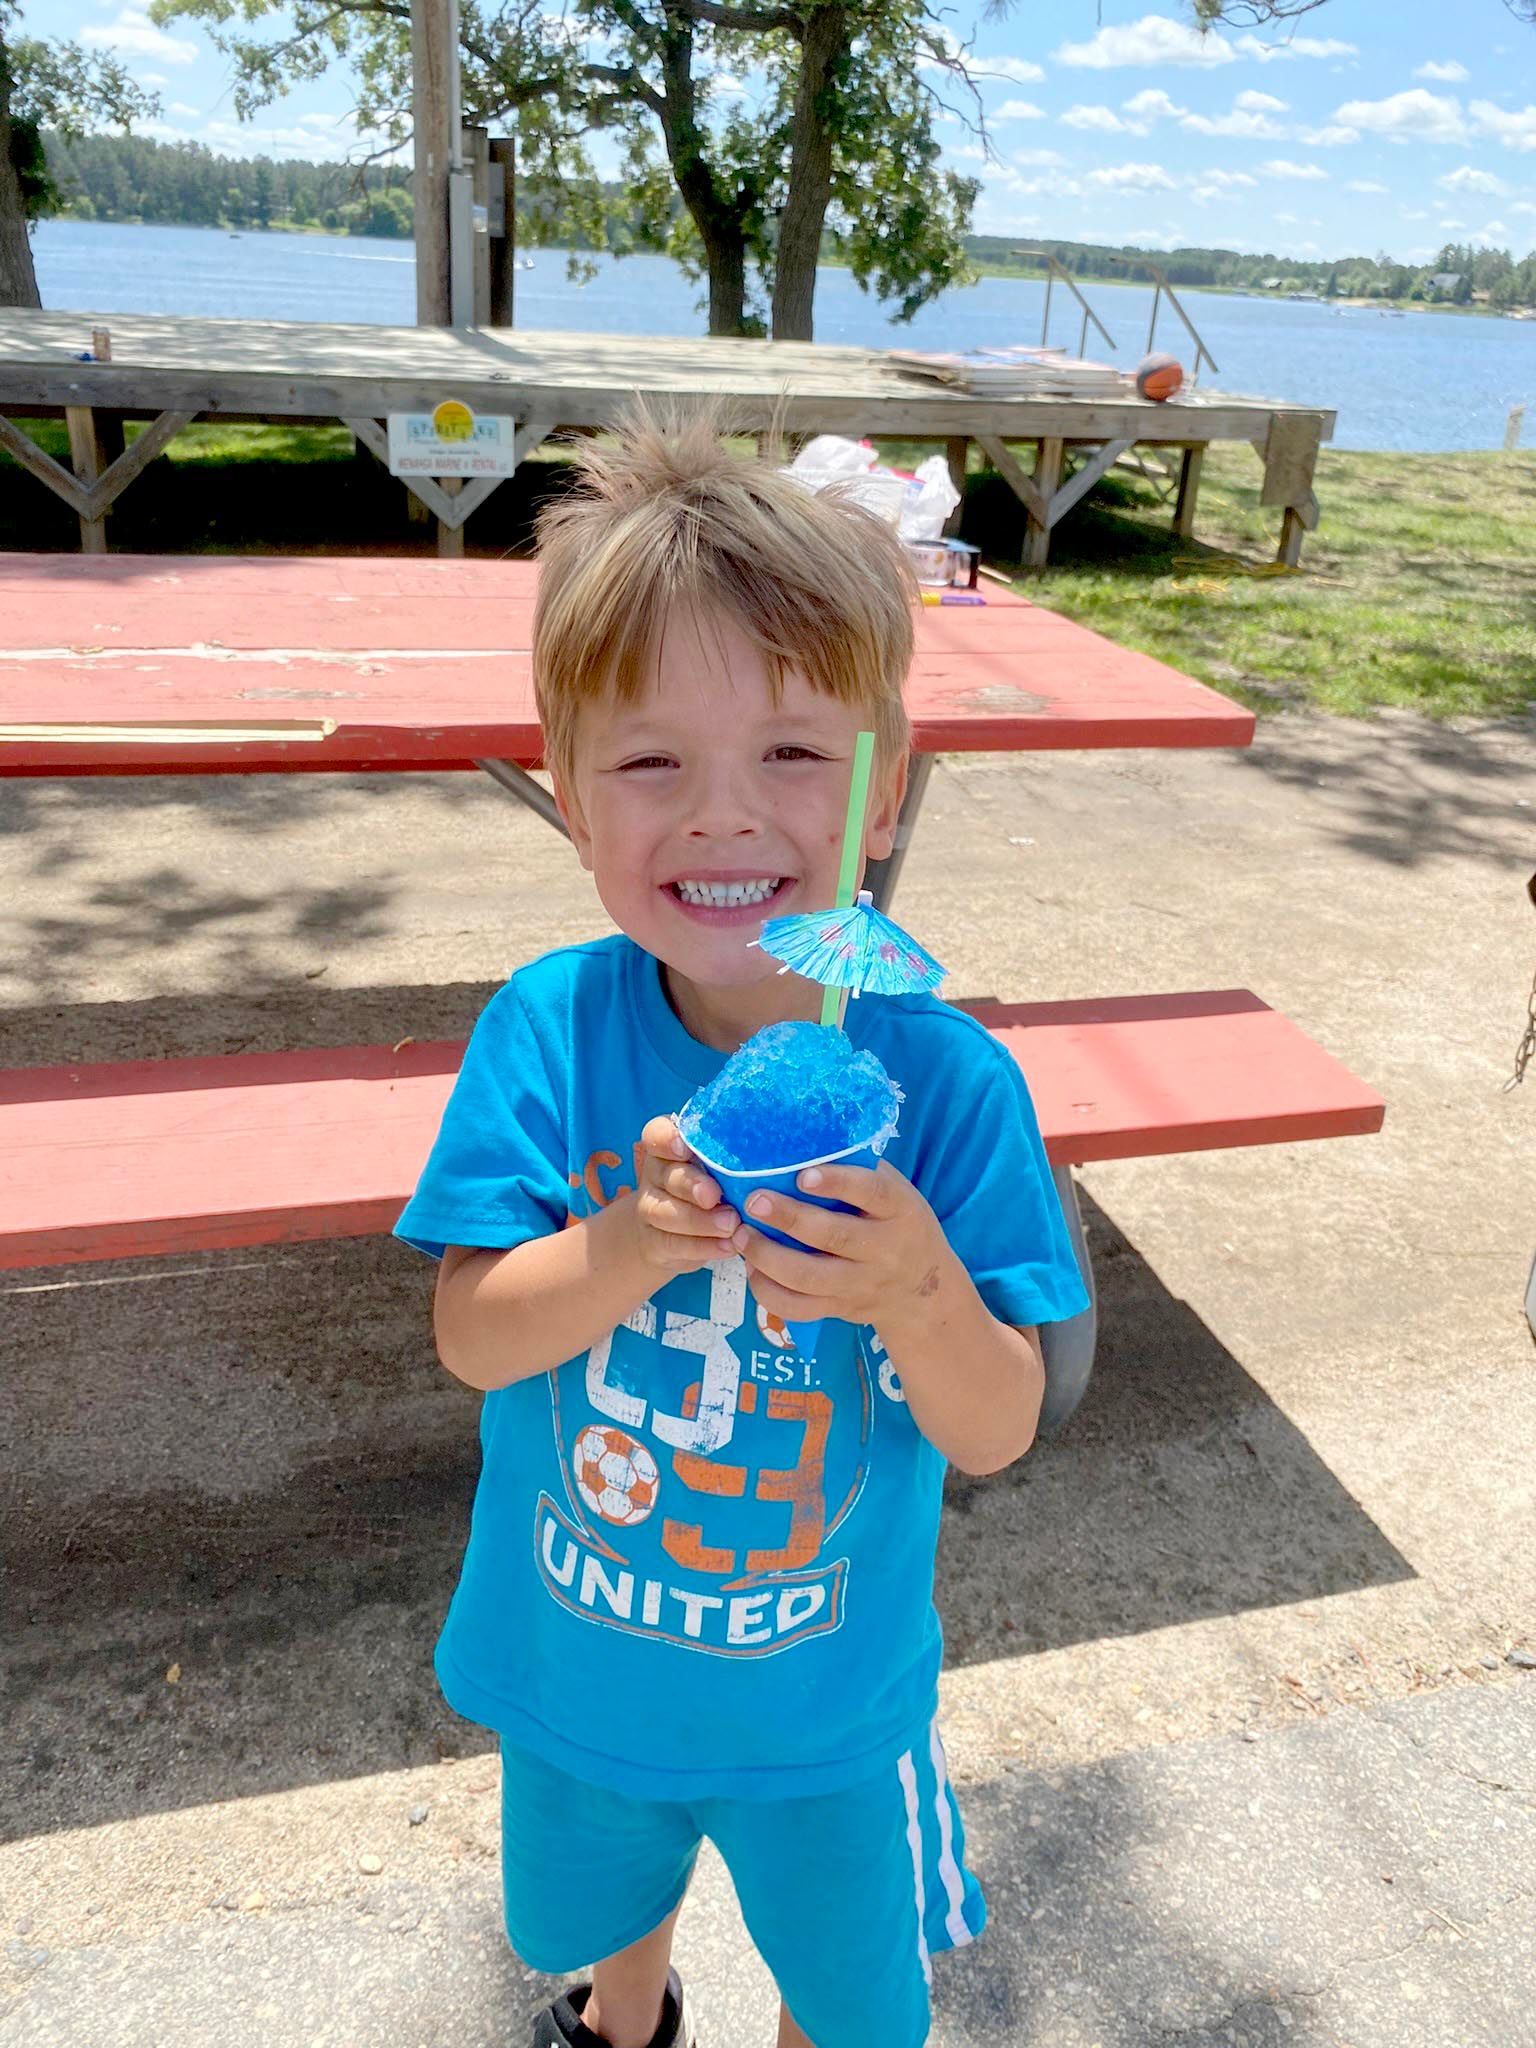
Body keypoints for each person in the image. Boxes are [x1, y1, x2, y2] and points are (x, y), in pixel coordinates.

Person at [393, 404, 1091, 2048]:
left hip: (829, 1717)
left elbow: (993, 1429)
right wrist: (623, 1245)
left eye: (790, 753)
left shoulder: (945, 1078)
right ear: (569, 795)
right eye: (650, 762)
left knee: (851, 1999)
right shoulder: (548, 1032)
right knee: (589, 1918)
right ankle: (627, 2014)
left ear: (885, 783)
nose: (720, 819)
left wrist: (920, 1286)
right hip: (578, 1675)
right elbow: (471, 1335)